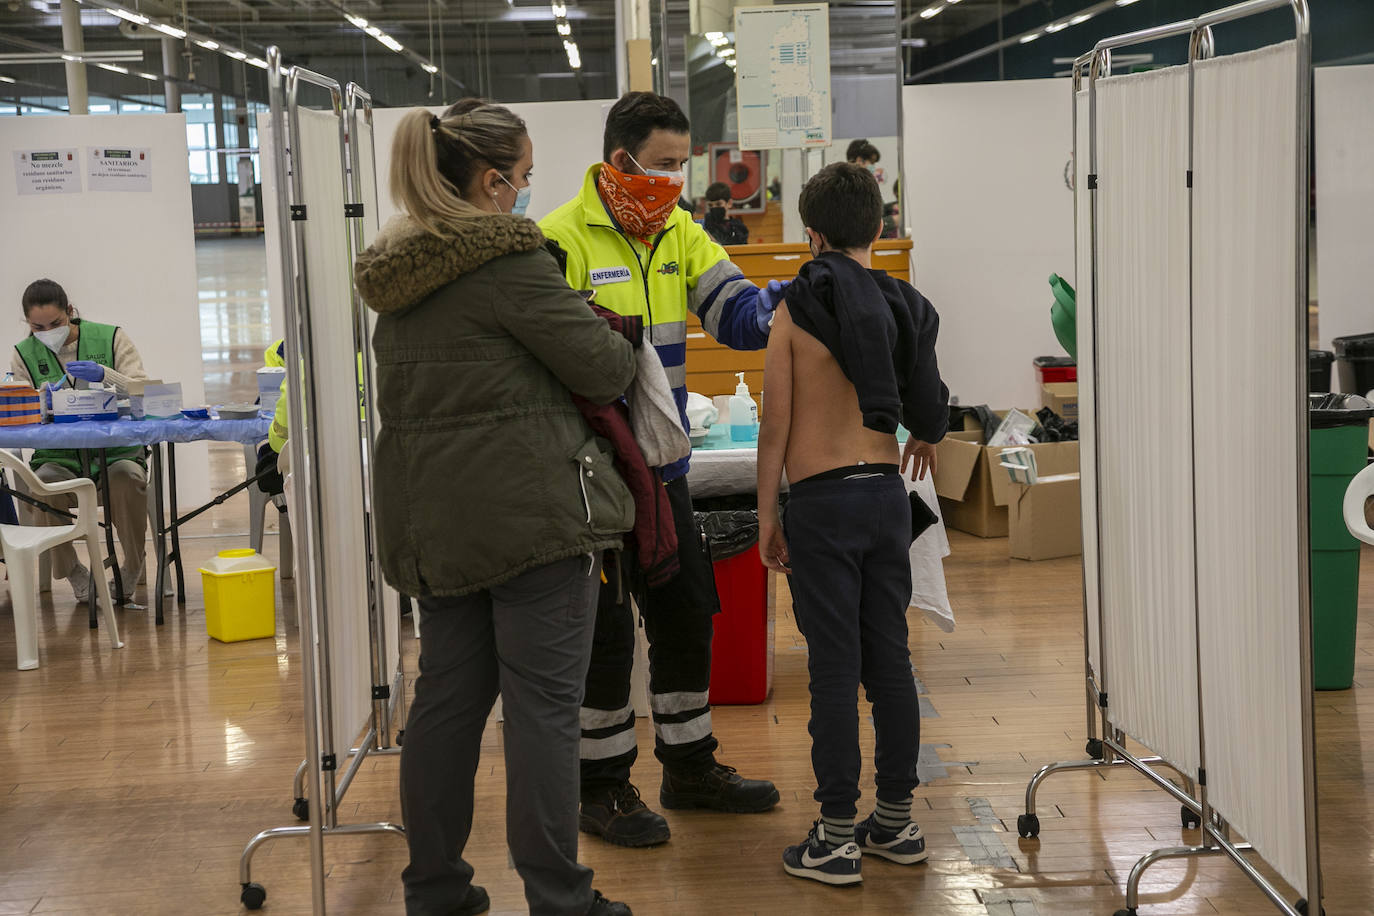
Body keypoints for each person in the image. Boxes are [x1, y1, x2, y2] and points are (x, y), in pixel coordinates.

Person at [353, 100, 636, 916]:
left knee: (444, 708)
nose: (524, 195)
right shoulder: (510, 265)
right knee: (543, 716)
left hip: (433, 525)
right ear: (489, 180)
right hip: (533, 521)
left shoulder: (398, 277)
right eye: (523, 179)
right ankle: (559, 897)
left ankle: (436, 889)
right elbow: (604, 367)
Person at [540, 91, 783, 848]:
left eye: (684, 165)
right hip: (596, 476)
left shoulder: (680, 231)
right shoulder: (558, 239)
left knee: (684, 614)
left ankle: (689, 765)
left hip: (666, 468)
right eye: (666, 164)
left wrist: (783, 301)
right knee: (607, 633)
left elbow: (735, 316)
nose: (677, 180)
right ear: (621, 162)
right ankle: (601, 786)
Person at [755, 162, 948, 885]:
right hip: (884, 498)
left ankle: (835, 837)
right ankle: (894, 824)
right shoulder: (907, 307)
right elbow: (927, 409)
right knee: (890, 662)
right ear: (880, 229)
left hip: (824, 503)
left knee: (833, 671)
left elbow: (776, 427)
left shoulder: (795, 311)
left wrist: (766, 511)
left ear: (812, 235)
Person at [10, 278, 149, 601]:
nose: (47, 331)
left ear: (70, 312)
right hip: (58, 456)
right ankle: (72, 570)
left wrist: (106, 375)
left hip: (116, 451)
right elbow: (20, 407)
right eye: (37, 326)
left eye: (55, 323)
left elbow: (144, 390)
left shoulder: (111, 336)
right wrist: (39, 400)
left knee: (128, 480)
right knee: (42, 486)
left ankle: (131, 568)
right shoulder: (23, 354)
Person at [702, 181, 750, 246]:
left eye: (718, 204)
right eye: (710, 205)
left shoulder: (739, 228)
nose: (714, 208)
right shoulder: (704, 226)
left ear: (729, 203)